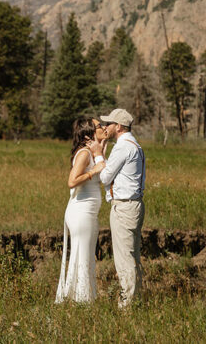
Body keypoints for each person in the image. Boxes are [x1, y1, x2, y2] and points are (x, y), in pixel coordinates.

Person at [54, 117, 108, 303]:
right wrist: (94, 171)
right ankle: (81, 301)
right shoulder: (84, 153)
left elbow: (103, 166)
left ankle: (82, 298)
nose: (103, 127)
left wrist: (102, 144)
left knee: (86, 255)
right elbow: (72, 181)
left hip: (89, 212)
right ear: (90, 132)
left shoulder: (92, 152)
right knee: (82, 254)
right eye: (99, 126)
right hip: (81, 211)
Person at [98, 108, 146, 308]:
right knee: (133, 257)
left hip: (124, 207)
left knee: (124, 260)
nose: (105, 127)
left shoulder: (122, 147)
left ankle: (127, 306)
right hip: (134, 205)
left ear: (118, 127)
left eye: (108, 124)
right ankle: (137, 301)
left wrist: (98, 155)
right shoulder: (135, 145)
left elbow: (104, 177)